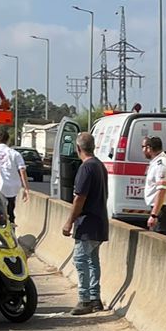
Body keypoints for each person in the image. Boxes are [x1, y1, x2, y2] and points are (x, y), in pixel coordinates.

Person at [62, 131, 109, 316]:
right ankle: (95, 298)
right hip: (99, 223)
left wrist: (69, 222)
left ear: (78, 148)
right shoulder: (100, 166)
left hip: (87, 224)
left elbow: (79, 199)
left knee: (80, 260)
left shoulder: (86, 168)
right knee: (92, 261)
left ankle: (85, 300)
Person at [142, 135, 166, 236]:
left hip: (163, 210)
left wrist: (154, 215)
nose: (143, 150)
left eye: (143, 147)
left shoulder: (161, 165)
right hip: (161, 208)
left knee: (161, 240)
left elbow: (162, 191)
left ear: (149, 148)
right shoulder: (159, 161)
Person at [0, 129, 26, 224]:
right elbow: (22, 171)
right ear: (8, 140)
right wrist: (26, 188)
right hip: (11, 188)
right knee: (10, 211)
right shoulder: (15, 153)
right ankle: (11, 230)